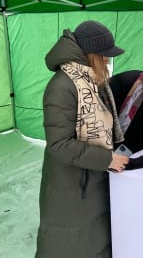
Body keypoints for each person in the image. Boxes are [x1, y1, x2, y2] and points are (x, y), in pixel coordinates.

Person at [35, 20, 129, 258]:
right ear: (92, 54)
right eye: (105, 56)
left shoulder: (90, 80)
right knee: (70, 244)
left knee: (93, 241)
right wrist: (106, 159)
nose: (108, 61)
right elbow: (59, 144)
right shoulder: (62, 86)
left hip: (91, 179)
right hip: (70, 186)